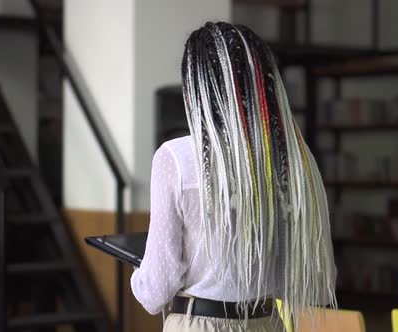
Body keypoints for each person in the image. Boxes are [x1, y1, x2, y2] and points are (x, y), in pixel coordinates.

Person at [131, 22, 337, 332]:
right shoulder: (294, 160)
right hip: (268, 323)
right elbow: (317, 281)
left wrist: (140, 275)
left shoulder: (175, 158)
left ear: (197, 86)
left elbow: (157, 288)